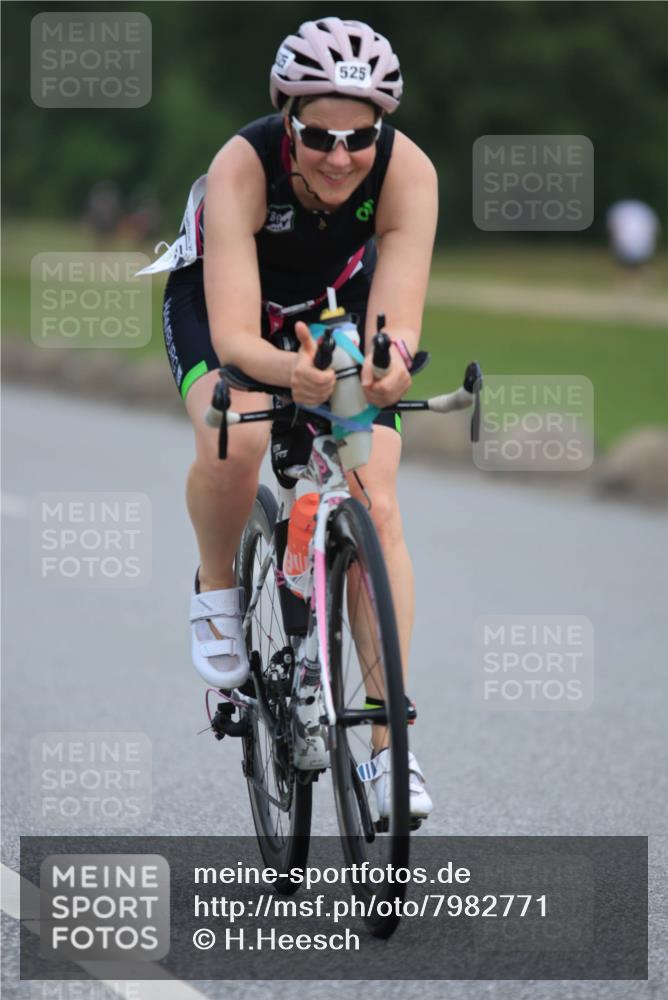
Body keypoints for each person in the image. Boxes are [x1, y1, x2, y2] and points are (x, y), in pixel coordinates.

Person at [145, 17, 438, 818]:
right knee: (237, 434)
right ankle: (217, 589)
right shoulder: (242, 166)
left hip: (336, 307)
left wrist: (387, 364)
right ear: (288, 119)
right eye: (318, 137)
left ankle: (389, 750)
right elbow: (239, 339)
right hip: (227, 308)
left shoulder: (409, 172)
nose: (340, 157)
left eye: (360, 138)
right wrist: (292, 376)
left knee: (377, 499)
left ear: (382, 129)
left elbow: (399, 317)